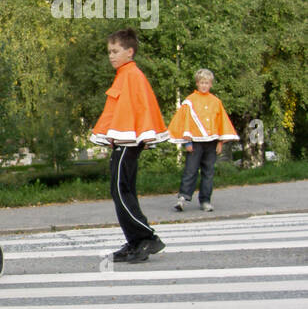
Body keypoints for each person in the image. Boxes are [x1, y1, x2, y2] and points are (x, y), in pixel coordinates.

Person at [89, 29, 167, 263]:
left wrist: (142, 136)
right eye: (109, 52)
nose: (111, 56)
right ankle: (135, 240)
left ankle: (146, 237)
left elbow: (142, 106)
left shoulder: (132, 75)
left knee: (121, 192)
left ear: (129, 51)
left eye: (115, 51)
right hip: (124, 142)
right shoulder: (125, 74)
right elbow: (120, 110)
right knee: (123, 192)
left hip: (127, 144)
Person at [168, 68, 238, 212]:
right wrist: (187, 142)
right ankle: (183, 198)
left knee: (208, 172)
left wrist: (220, 142)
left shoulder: (216, 102)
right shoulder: (190, 101)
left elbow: (221, 122)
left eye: (207, 83)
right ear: (197, 83)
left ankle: (205, 200)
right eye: (202, 83)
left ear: (211, 84)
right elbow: (185, 121)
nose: (204, 85)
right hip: (195, 142)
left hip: (211, 143)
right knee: (190, 170)